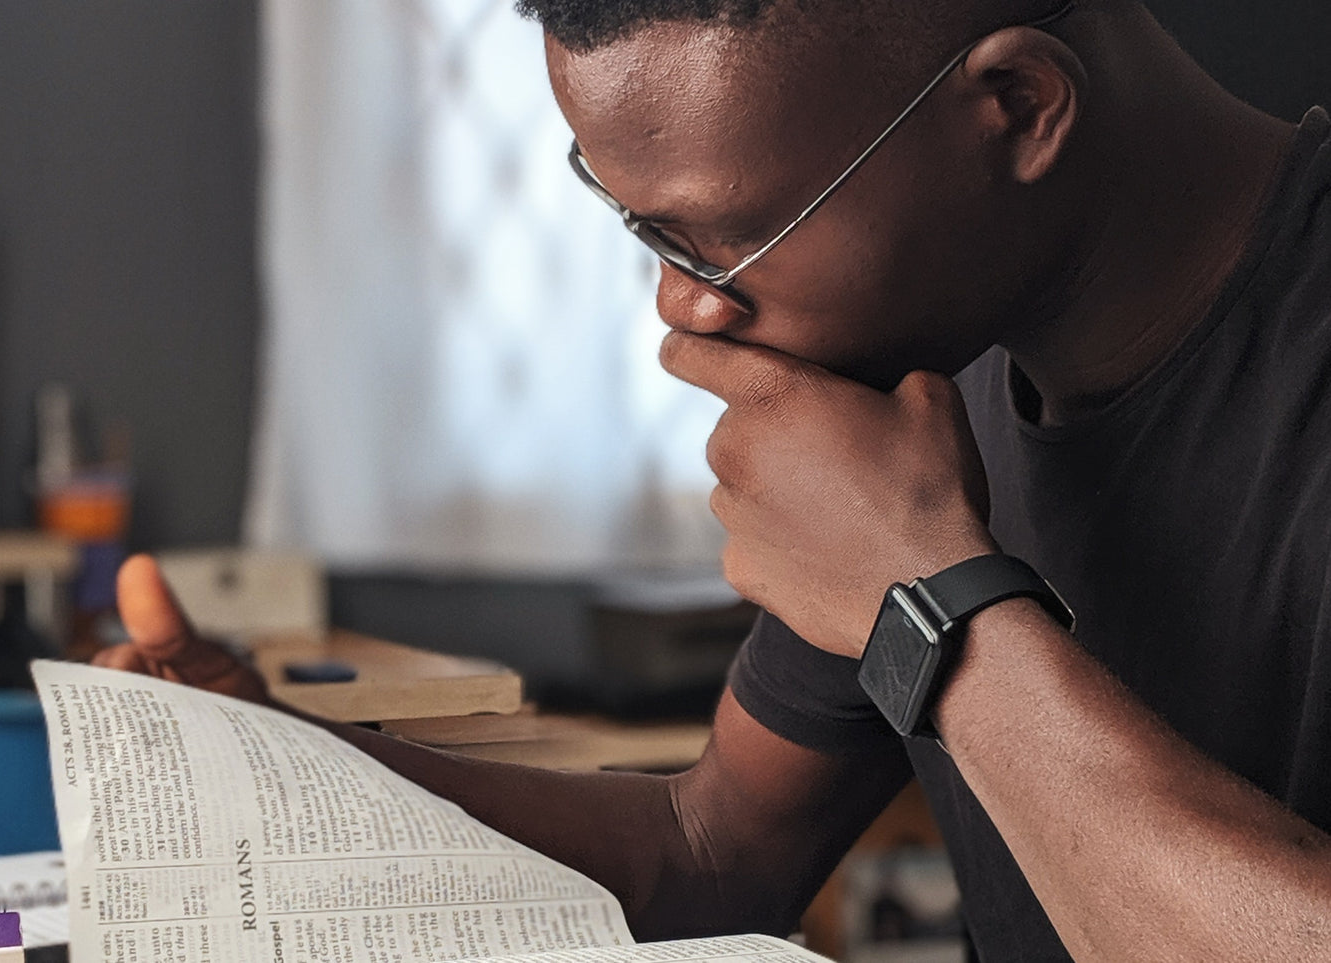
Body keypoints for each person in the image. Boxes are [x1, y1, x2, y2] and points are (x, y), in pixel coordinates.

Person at [97, 0, 1331, 958]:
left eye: (726, 238)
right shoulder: (923, 376)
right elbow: (709, 850)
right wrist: (270, 758)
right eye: (644, 233)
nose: (681, 306)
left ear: (1014, 105)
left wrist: (932, 604)